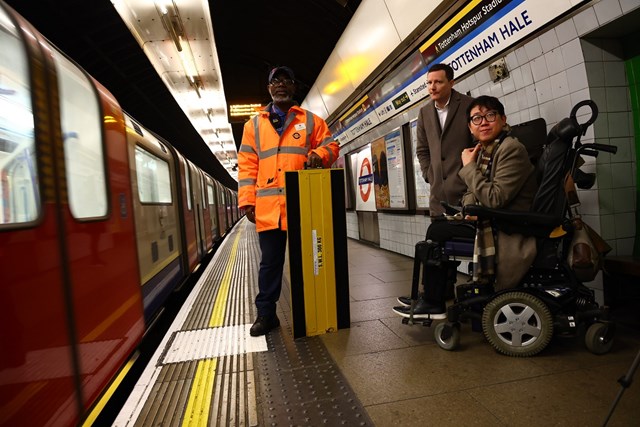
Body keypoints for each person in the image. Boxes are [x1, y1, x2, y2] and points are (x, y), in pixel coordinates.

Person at [393, 95, 538, 319]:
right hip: (492, 219)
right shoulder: (488, 150)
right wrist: (469, 210)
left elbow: (495, 198)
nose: (484, 123)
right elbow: (472, 194)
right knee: (440, 226)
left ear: (503, 119)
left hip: (508, 228)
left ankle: (433, 301)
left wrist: (468, 167)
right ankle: (432, 297)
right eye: (477, 118)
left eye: (490, 115)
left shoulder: (511, 149)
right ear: (470, 127)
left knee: (438, 231)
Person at [238, 66, 339, 336]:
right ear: (269, 88)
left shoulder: (312, 121)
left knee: (308, 261)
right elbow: (247, 165)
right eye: (275, 81)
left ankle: (311, 311)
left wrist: (319, 153)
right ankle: (266, 315)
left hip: (303, 205)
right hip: (269, 209)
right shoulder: (253, 126)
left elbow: (332, 146)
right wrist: (247, 201)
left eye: (287, 81)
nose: (281, 85)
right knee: (269, 264)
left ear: (294, 87)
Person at [396, 63, 474, 308]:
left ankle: (432, 295)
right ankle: (440, 292)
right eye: (429, 83)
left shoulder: (468, 106)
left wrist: (468, 173)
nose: (433, 87)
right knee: (438, 249)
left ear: (451, 82)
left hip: (465, 190)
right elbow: (422, 149)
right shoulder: (424, 112)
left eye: (438, 82)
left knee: (439, 242)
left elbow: (477, 143)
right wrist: (430, 174)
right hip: (438, 194)